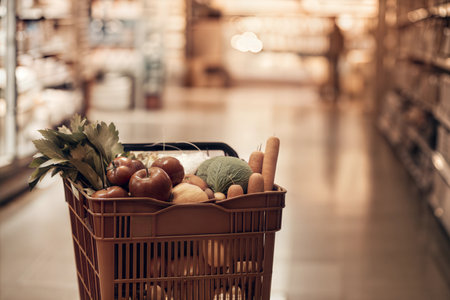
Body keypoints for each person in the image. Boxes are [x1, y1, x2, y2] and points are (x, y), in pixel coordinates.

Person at [326, 17, 345, 102]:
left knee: (335, 74)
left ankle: (336, 92)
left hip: (335, 55)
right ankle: (334, 91)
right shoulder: (335, 32)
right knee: (333, 74)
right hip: (334, 55)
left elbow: (339, 44)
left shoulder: (337, 33)